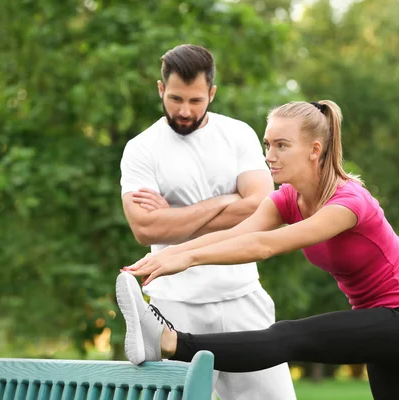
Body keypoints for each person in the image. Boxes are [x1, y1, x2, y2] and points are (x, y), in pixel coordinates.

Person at [117, 99, 399, 400]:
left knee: (289, 337)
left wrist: (187, 258)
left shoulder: (348, 203)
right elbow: (235, 235)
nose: (270, 155)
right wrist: (165, 255)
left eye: (282, 145)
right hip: (378, 323)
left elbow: (264, 246)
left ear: (315, 149)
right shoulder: (287, 199)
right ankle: (166, 338)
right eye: (268, 144)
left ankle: (169, 341)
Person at [118, 44, 296, 400]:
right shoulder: (141, 149)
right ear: (160, 89)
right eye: (175, 98)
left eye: (196, 100)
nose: (184, 110)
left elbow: (263, 207)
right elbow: (145, 229)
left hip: (243, 299)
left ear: (212, 93)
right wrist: (226, 201)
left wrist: (174, 217)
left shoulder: (239, 135)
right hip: (173, 305)